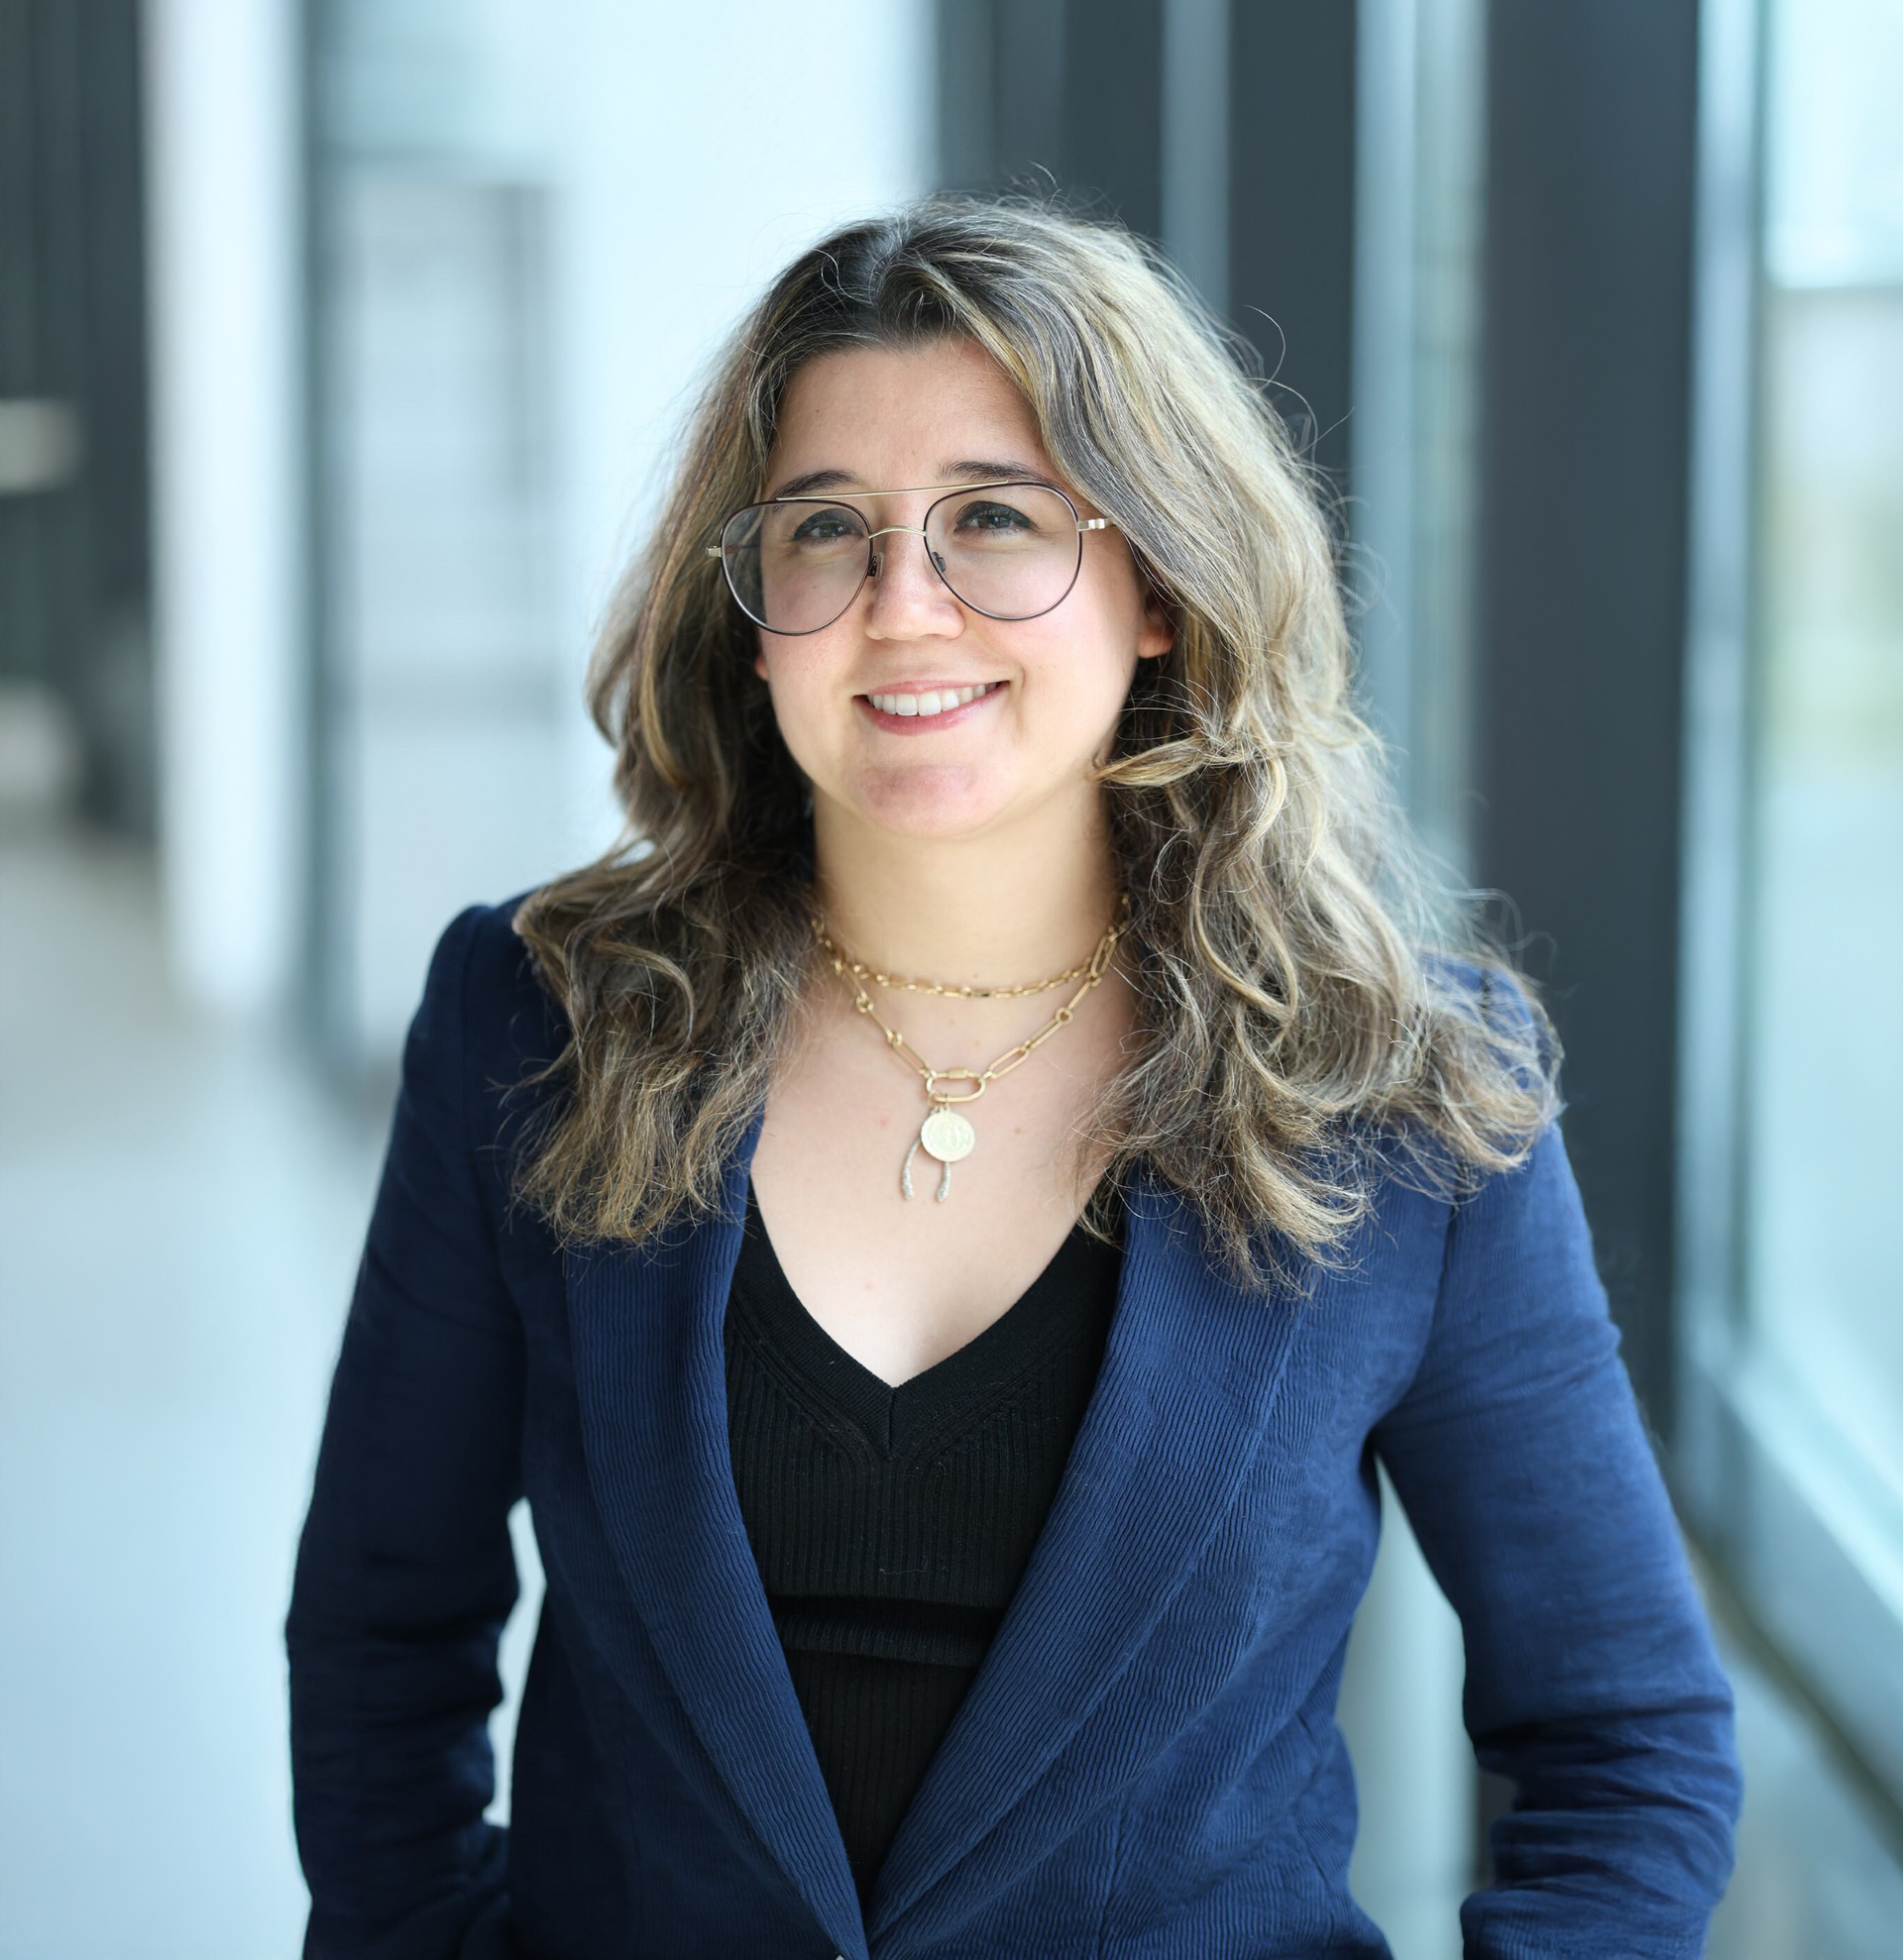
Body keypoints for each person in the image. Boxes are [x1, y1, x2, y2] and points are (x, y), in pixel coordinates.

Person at [285, 196, 1741, 1960]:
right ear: (755, 617)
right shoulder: (536, 1025)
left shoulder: (1403, 1099)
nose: (907, 608)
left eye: (994, 519)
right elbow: (385, 1625)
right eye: (829, 531)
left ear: (1155, 590)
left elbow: (1623, 1740)